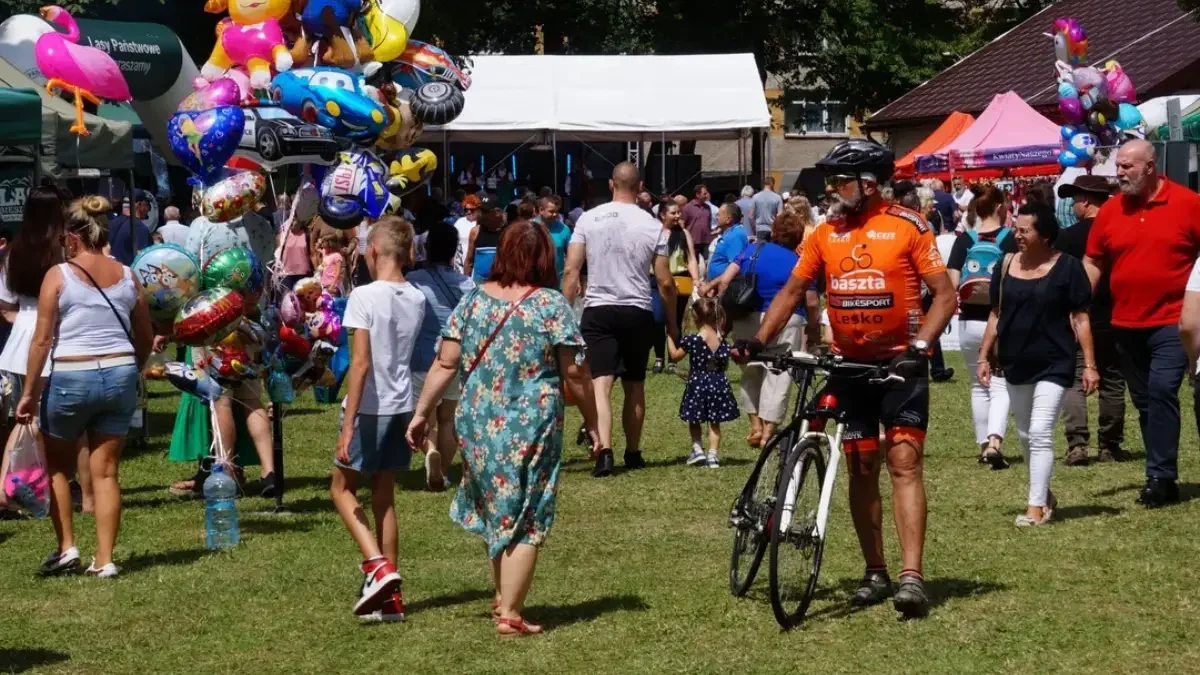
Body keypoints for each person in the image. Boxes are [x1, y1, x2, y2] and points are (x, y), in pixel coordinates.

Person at [736, 140, 957, 618]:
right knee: (860, 467)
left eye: (840, 181)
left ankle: (911, 577)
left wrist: (920, 349)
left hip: (900, 366)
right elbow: (794, 291)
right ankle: (875, 571)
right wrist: (758, 341)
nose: (832, 188)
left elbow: (944, 296)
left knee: (904, 462)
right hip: (849, 366)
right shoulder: (826, 233)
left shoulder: (908, 225)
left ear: (869, 182)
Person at [407, 221, 600, 637]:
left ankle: (502, 596)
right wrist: (595, 422)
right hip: (532, 422)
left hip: (476, 420)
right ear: (545, 258)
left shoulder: (473, 300)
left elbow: (445, 363)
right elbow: (576, 375)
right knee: (528, 514)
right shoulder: (550, 305)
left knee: (497, 506)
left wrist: (421, 413)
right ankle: (511, 613)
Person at [17, 196, 153, 578]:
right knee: (106, 471)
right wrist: (134, 366)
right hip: (120, 372)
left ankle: (67, 548)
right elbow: (145, 334)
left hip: (71, 377)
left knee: (59, 468)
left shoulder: (58, 276)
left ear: (72, 238)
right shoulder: (128, 275)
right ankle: (105, 559)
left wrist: (29, 392)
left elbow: (42, 341)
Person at [1083, 139, 1200, 508]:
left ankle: (1160, 478)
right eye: (1118, 166)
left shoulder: (1188, 204)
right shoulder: (1110, 211)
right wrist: (1075, 298)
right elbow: (1094, 261)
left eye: (1127, 167)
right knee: (1146, 401)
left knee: (1164, 390)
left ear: (1150, 166)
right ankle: (1160, 471)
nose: (1119, 173)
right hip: (1125, 322)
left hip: (1172, 320)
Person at [977, 203, 1096, 526]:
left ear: (1045, 235)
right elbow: (995, 314)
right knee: (1026, 433)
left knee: (1042, 431)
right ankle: (1044, 494)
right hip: (1015, 360)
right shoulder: (1005, 265)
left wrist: (1090, 365)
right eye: (1016, 228)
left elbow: (1081, 318)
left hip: (1055, 361)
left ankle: (1034, 508)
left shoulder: (1068, 267)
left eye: (1024, 230)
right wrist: (984, 355)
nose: (1017, 235)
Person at [332, 216, 424, 620]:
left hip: (370, 406)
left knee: (341, 489)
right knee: (384, 496)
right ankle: (391, 600)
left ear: (373, 251)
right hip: (402, 404)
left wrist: (348, 424)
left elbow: (361, 364)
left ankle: (377, 566)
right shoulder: (417, 297)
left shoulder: (365, 296)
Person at [563, 162, 678, 477]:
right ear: (640, 187)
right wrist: (672, 323)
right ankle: (634, 451)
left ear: (612, 184)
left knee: (600, 384)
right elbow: (666, 283)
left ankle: (604, 452)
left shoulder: (588, 219)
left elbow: (572, 271)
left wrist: (563, 311)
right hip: (638, 309)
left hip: (598, 308)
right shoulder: (654, 226)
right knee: (635, 384)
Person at [0, 186, 95, 515]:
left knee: (24, 420)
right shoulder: (66, 250)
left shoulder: (15, 251)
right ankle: (87, 495)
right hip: (57, 342)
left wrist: (25, 320)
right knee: (74, 426)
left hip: (18, 345)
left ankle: (9, 490)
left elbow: (6, 304)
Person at [707, 211, 812, 447]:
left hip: (748, 316)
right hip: (787, 320)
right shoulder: (800, 261)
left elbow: (725, 280)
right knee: (778, 374)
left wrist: (725, 315)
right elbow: (812, 300)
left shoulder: (751, 251)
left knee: (751, 369)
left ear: (774, 232)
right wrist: (813, 327)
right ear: (798, 237)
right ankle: (768, 432)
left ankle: (754, 426)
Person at [1055, 175, 1128, 465]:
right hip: (1115, 316)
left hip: (1076, 317)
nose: (1073, 205)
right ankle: (1109, 444)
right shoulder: (1122, 232)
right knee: (1112, 380)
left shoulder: (1067, 237)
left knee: (1074, 379)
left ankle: (1077, 445)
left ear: (1085, 201)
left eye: (1075, 200)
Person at [946, 185, 1016, 467]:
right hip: (998, 319)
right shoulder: (1011, 240)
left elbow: (951, 284)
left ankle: (982, 443)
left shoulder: (963, 241)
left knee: (977, 384)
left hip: (967, 322)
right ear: (1000, 208)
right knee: (1001, 383)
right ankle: (995, 442)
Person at [405, 223, 474, 491]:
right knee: (448, 419)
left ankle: (430, 450)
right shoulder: (467, 283)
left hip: (421, 358)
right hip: (456, 357)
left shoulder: (414, 280)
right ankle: (443, 471)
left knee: (425, 417)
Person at [665, 297, 738, 468]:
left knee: (695, 418)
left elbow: (675, 356)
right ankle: (713, 456)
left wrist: (669, 337)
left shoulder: (692, 340)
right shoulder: (722, 342)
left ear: (695, 318)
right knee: (714, 422)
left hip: (697, 383)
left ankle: (697, 449)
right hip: (718, 383)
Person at [651, 199, 699, 375]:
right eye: (673, 212)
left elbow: (691, 258)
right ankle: (658, 357)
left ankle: (673, 359)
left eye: (679, 212)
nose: (678, 215)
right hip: (655, 282)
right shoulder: (654, 233)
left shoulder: (684, 233)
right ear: (663, 215)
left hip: (679, 281)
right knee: (657, 318)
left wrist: (696, 278)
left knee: (675, 320)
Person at [464, 194, 504, 283]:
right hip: (479, 285)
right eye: (481, 211)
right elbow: (469, 262)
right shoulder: (475, 232)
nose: (482, 215)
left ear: (498, 212)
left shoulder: (508, 233)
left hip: (502, 285)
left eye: (486, 212)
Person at [532, 196, 571, 283]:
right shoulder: (529, 228)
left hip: (558, 281)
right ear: (541, 210)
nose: (555, 215)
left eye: (556, 212)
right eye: (551, 212)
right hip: (534, 281)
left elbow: (571, 255)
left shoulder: (564, 229)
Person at [707, 203, 749, 282]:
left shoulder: (735, 235)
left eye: (719, 215)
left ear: (728, 219)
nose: (716, 218)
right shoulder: (731, 233)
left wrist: (710, 285)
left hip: (725, 288)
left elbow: (733, 268)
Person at [107, 197, 150, 266]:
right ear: (138, 205)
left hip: (109, 271)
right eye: (148, 205)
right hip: (128, 273)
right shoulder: (140, 228)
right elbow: (142, 258)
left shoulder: (110, 223)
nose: (148, 210)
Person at [276, 214, 313, 290]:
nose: (292, 222)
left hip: (303, 273)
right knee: (287, 299)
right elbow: (277, 254)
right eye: (290, 220)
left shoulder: (307, 234)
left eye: (294, 220)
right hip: (286, 274)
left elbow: (312, 254)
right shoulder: (283, 235)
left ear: (300, 222)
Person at [452, 194, 480, 272]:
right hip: (459, 266)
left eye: (472, 209)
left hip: (474, 266)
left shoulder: (481, 223)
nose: (468, 212)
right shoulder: (459, 222)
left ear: (478, 209)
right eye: (466, 209)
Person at [749, 177, 783, 242]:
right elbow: (780, 216)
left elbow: (750, 216)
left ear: (764, 184)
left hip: (759, 229)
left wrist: (754, 229)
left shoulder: (755, 197)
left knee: (760, 250)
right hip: (772, 230)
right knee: (771, 251)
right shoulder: (777, 197)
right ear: (772, 184)